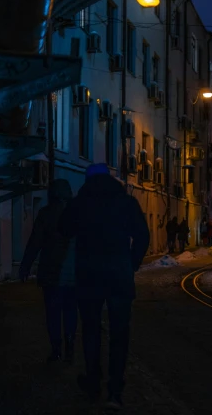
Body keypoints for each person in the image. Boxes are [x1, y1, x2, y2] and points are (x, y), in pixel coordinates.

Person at [59, 163, 149, 409]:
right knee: (120, 334)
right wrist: (131, 263)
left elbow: (64, 229)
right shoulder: (126, 202)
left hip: (89, 275)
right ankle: (115, 392)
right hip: (119, 275)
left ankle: (93, 382)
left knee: (90, 330)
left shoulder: (81, 202)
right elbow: (142, 235)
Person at [18, 179, 78, 363]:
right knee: (70, 311)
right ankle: (69, 346)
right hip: (74, 276)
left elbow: (35, 242)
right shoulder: (78, 214)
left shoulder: (46, 214)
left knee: (53, 313)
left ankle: (56, 350)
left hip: (52, 274)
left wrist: (25, 266)